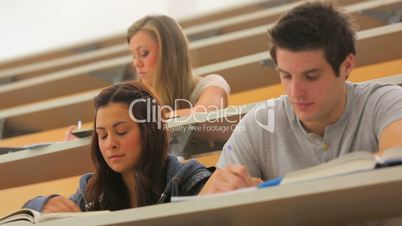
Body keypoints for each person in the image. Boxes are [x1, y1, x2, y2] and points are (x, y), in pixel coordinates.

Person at [201, 0, 402, 212]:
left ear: (346, 66)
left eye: (311, 76)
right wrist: (224, 191)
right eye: (286, 76)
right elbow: (204, 207)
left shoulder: (387, 102)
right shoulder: (259, 124)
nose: (295, 92)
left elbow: (395, 163)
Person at [25, 81, 211, 212]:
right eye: (102, 135)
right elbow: (27, 213)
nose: (110, 144)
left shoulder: (187, 179)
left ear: (150, 130)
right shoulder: (91, 194)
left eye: (121, 131)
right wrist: (42, 205)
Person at [65, 14, 230, 140]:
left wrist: (130, 124)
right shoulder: (134, 98)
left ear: (170, 54)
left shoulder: (211, 84)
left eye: (143, 53)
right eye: (133, 55)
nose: (136, 63)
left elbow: (204, 114)